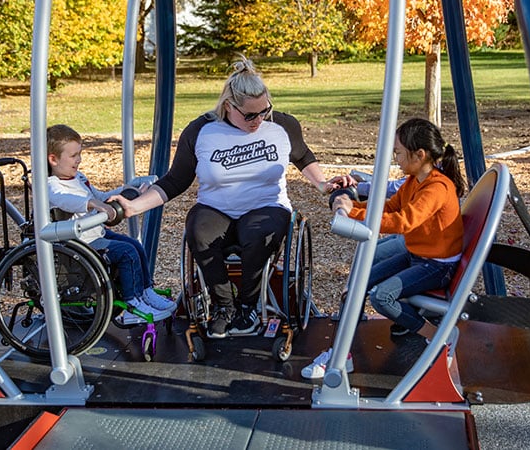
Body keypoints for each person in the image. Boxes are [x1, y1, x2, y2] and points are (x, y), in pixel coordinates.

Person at [109, 56, 351, 339]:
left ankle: (247, 305)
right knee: (198, 231)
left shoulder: (282, 126)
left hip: (266, 205)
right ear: (228, 106)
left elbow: (303, 156)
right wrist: (133, 206)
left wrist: (322, 184)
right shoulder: (201, 131)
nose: (258, 120)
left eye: (264, 111)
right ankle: (224, 305)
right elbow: (175, 181)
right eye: (249, 115)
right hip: (216, 207)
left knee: (257, 235)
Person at [301, 118, 466, 379]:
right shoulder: (414, 181)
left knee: (382, 297)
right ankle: (341, 353)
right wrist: (350, 207)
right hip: (417, 255)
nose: (396, 158)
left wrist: (351, 213)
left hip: (436, 266)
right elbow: (388, 207)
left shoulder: (437, 188)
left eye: (399, 152)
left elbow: (402, 221)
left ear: (419, 154)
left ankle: (437, 336)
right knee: (357, 283)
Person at [46, 124, 176, 323]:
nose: (78, 160)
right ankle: (132, 304)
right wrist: (90, 203)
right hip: (80, 243)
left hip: (95, 234)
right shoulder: (51, 185)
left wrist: (124, 190)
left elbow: (100, 196)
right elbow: (65, 200)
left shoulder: (79, 177)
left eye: (79, 154)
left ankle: (145, 291)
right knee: (126, 253)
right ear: (53, 159)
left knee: (135, 246)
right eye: (73, 156)